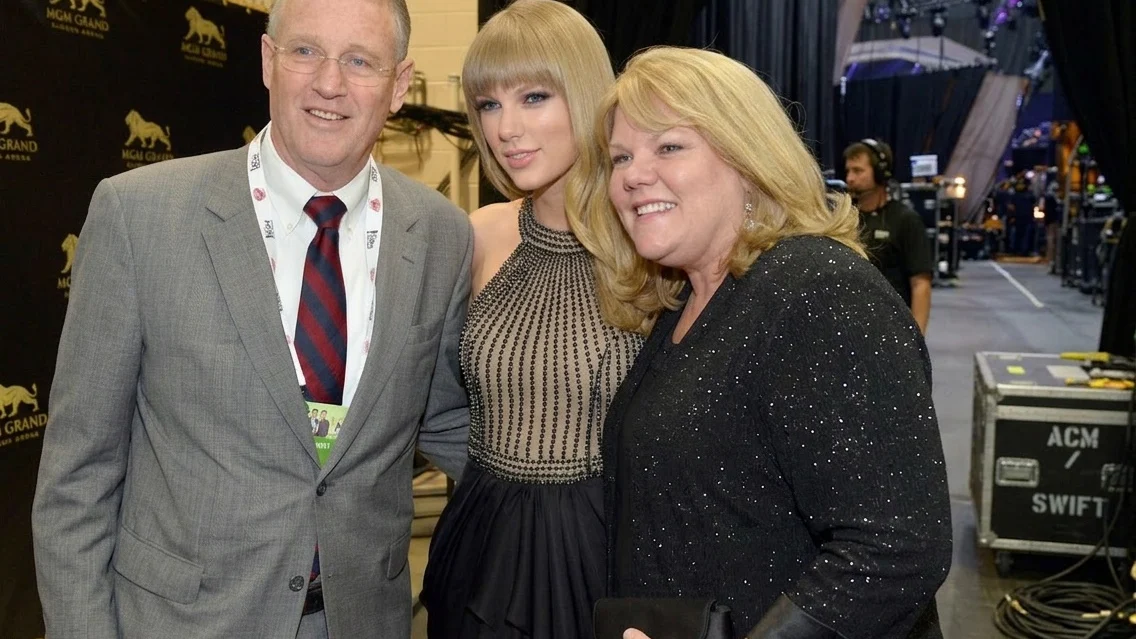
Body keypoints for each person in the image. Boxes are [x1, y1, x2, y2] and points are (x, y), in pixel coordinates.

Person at [31, 0, 473, 637]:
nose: (329, 82)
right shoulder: (141, 216)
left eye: (360, 60)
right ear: (268, 61)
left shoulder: (439, 236)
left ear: (399, 85)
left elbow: (449, 419)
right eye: (305, 51)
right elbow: (78, 476)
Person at [585, 47, 952, 638]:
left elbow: (897, 546)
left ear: (748, 158)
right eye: (621, 156)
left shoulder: (817, 291)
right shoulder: (685, 300)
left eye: (668, 146)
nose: (631, 174)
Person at [419, 2, 644, 637]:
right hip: (481, 538)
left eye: (534, 97)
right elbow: (434, 401)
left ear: (587, 93)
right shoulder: (479, 236)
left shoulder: (648, 243)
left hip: (604, 552)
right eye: (488, 105)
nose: (506, 129)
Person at [844, 139, 934, 334]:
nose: (850, 178)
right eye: (848, 171)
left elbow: (921, 284)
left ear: (880, 172)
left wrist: (916, 342)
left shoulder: (905, 220)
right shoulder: (844, 220)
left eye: (858, 171)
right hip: (850, 328)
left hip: (892, 329)